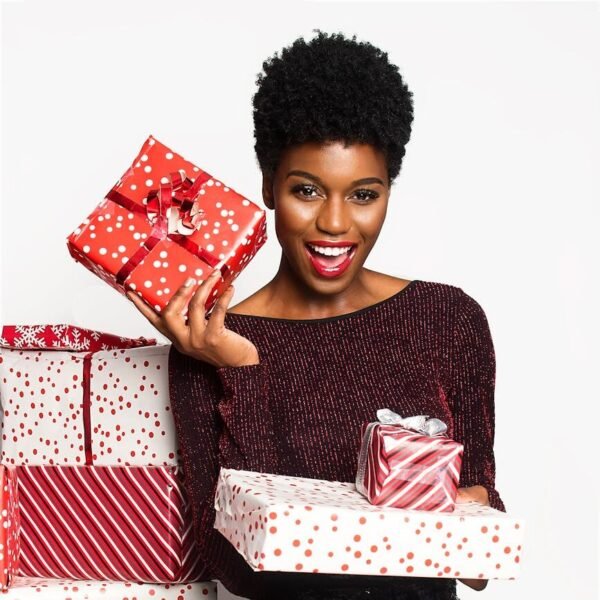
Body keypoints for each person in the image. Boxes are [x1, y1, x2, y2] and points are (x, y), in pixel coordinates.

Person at [127, 30, 505, 600]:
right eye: (307, 190)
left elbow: (479, 553)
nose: (334, 223)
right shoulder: (212, 344)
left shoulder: (448, 319)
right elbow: (227, 559)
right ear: (269, 187)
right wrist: (241, 365)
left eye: (363, 194)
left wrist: (427, 497)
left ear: (387, 194)